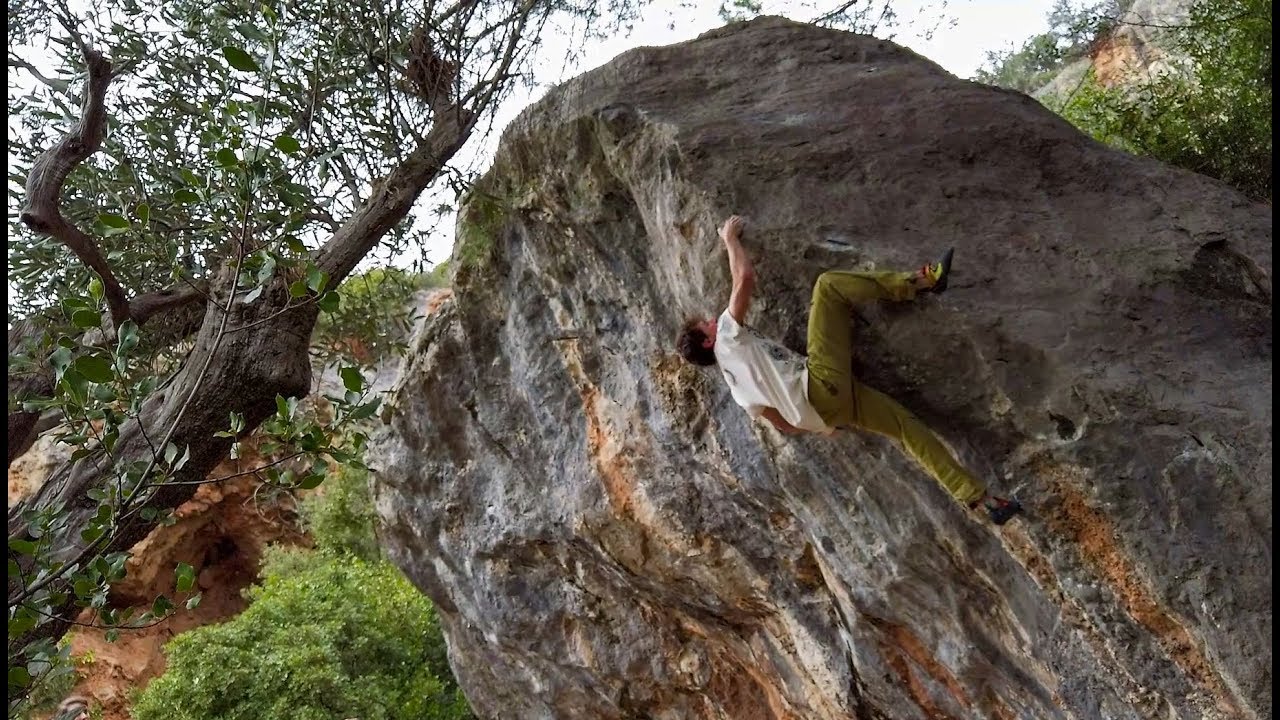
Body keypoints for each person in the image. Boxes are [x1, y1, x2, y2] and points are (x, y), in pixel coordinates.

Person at [676, 215, 1022, 525]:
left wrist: (824, 427)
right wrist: (730, 240)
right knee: (828, 287)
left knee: (906, 429)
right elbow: (744, 278)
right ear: (708, 342)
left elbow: (783, 425)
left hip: (826, 412)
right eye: (706, 326)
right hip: (820, 383)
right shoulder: (725, 337)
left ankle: (984, 500)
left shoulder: (736, 389)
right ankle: (920, 282)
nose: (711, 320)